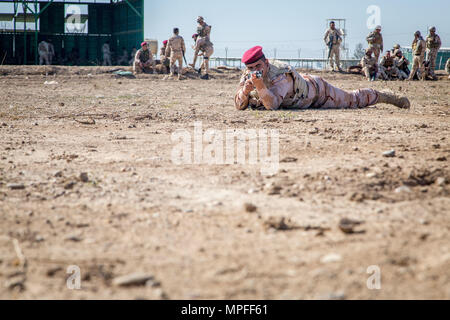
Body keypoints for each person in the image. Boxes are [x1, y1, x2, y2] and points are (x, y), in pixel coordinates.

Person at [234, 46, 410, 111]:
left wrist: (260, 87)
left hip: (318, 92)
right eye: (250, 68)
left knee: (352, 100)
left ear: (266, 62)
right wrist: (245, 91)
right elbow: (238, 104)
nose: (255, 71)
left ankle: (383, 96)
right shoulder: (248, 75)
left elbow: (272, 105)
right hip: (300, 94)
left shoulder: (280, 74)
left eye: (258, 66)